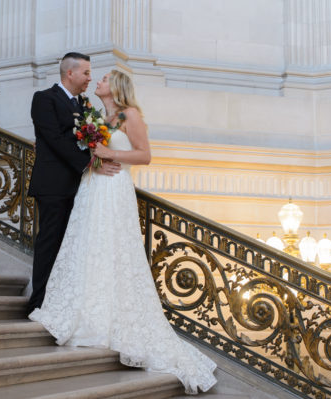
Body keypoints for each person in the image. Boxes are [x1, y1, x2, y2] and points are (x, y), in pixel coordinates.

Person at [29, 70, 217, 394]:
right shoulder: (99, 115)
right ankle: (85, 313)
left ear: (115, 88)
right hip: (92, 189)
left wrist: (110, 154)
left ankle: (112, 321)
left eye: (102, 78)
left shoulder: (131, 115)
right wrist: (92, 156)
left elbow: (145, 155)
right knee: (89, 248)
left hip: (115, 190)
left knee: (114, 250)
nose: (96, 81)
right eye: (94, 77)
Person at [27, 52, 120, 315]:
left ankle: (63, 303)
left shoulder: (85, 104)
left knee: (72, 247)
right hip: (53, 186)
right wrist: (91, 164)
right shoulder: (44, 99)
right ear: (70, 73)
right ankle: (39, 303)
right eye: (86, 73)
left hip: (81, 187)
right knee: (50, 243)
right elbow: (55, 140)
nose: (90, 78)